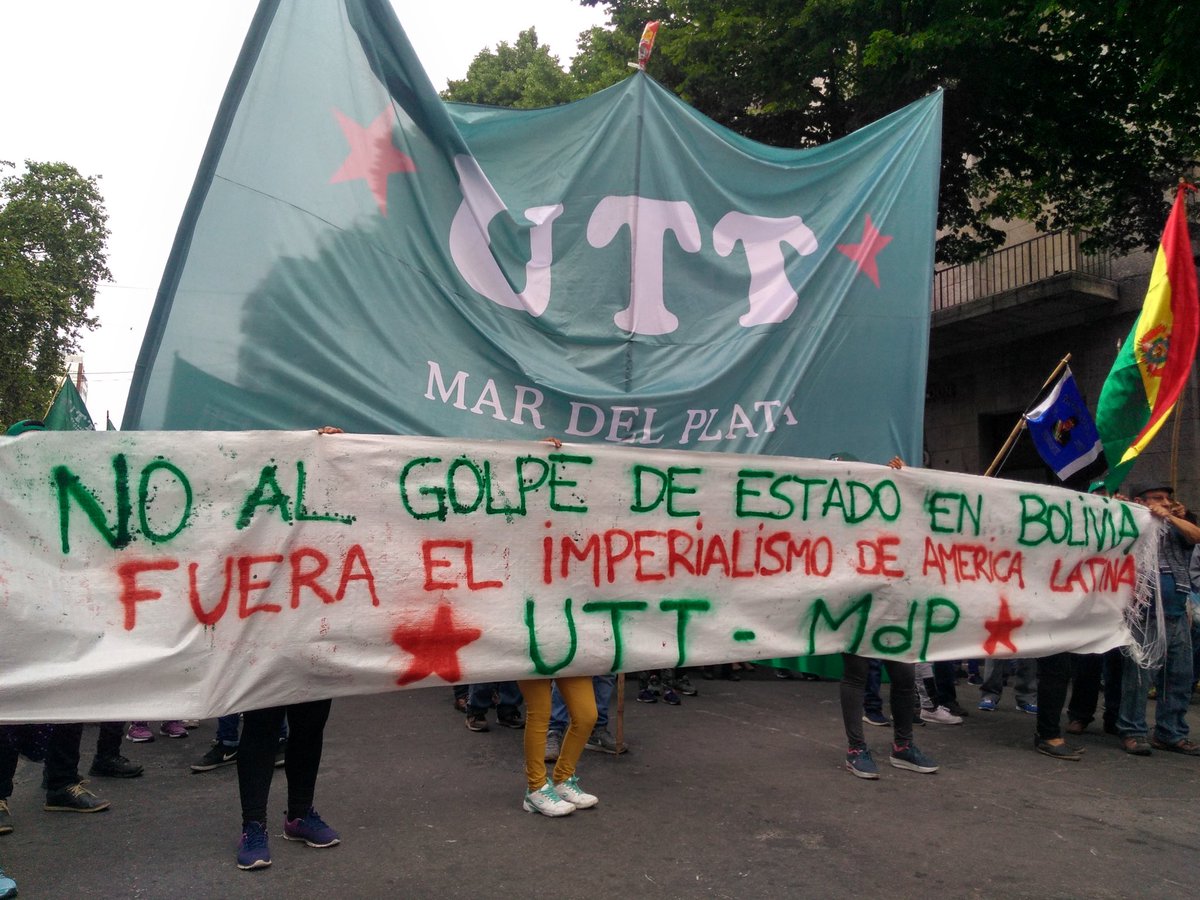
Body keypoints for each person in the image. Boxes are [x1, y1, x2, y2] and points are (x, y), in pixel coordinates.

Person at [235, 427, 344, 870]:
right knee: (260, 729)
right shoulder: (261, 489)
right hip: (263, 631)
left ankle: (299, 814)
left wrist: (339, 450)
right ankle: (253, 826)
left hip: (316, 627)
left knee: (309, 727)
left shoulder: (334, 500)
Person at [833, 456, 937, 778]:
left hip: (895, 602)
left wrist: (902, 479)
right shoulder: (836, 514)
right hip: (857, 603)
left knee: (904, 675)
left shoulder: (887, 506)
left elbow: (916, 519)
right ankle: (855, 749)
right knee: (856, 674)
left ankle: (903, 746)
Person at [1115, 483, 1200, 756]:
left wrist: (1171, 517)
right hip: (1145, 612)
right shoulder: (1132, 520)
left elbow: (1196, 536)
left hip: (1176, 612)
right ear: (1142, 501)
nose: (1164, 502)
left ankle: (1170, 732)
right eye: (1157, 498)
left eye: (1168, 498)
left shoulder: (1177, 524)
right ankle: (1133, 731)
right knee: (1140, 675)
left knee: (1179, 676)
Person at [518, 675, 598, 815]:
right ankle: (536, 787)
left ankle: (563, 778)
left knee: (586, 715)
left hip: (572, 655)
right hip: (530, 654)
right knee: (539, 712)